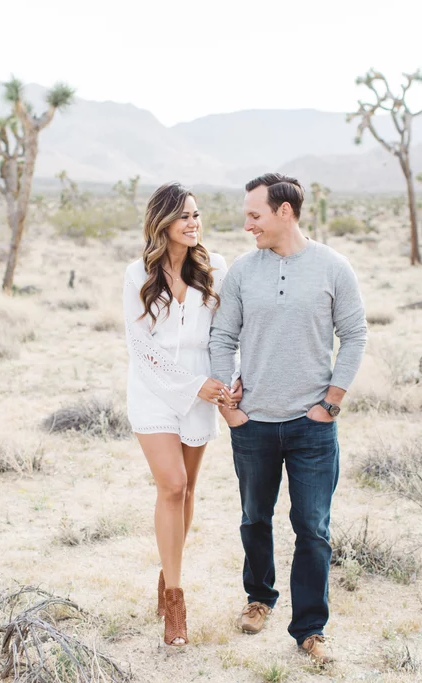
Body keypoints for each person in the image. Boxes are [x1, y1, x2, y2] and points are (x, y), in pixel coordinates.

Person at [209, 173, 367, 666]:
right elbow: (221, 338)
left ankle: (310, 629)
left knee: (312, 527)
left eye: (254, 214)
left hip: (311, 425)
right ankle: (259, 597)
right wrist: (227, 404)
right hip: (253, 423)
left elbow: (355, 335)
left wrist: (331, 403)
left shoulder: (332, 267)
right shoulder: (241, 271)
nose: (246, 224)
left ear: (284, 212)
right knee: (255, 517)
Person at [122, 182, 233, 646]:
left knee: (188, 492)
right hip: (154, 390)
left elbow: (227, 334)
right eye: (184, 216)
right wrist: (190, 385)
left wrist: (223, 386)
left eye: (197, 215)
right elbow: (140, 346)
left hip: (203, 389)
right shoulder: (136, 275)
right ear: (163, 222)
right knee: (171, 485)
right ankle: (175, 600)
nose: (194, 222)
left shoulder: (215, 269)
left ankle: (166, 572)